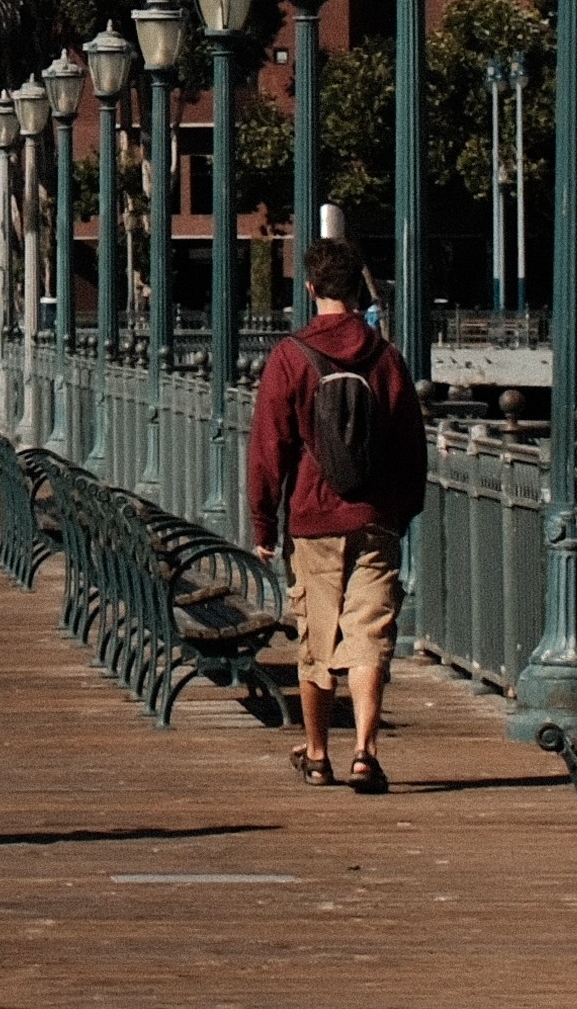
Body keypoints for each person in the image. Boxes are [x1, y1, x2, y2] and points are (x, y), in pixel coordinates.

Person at [246, 237, 428, 795]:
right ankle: (366, 753)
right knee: (371, 634)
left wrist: (263, 523)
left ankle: (319, 752)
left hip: (313, 518)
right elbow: (410, 446)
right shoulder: (385, 357)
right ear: (356, 291)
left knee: (316, 636)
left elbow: (269, 446)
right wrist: (401, 512)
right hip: (374, 516)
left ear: (310, 290)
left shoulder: (290, 356)